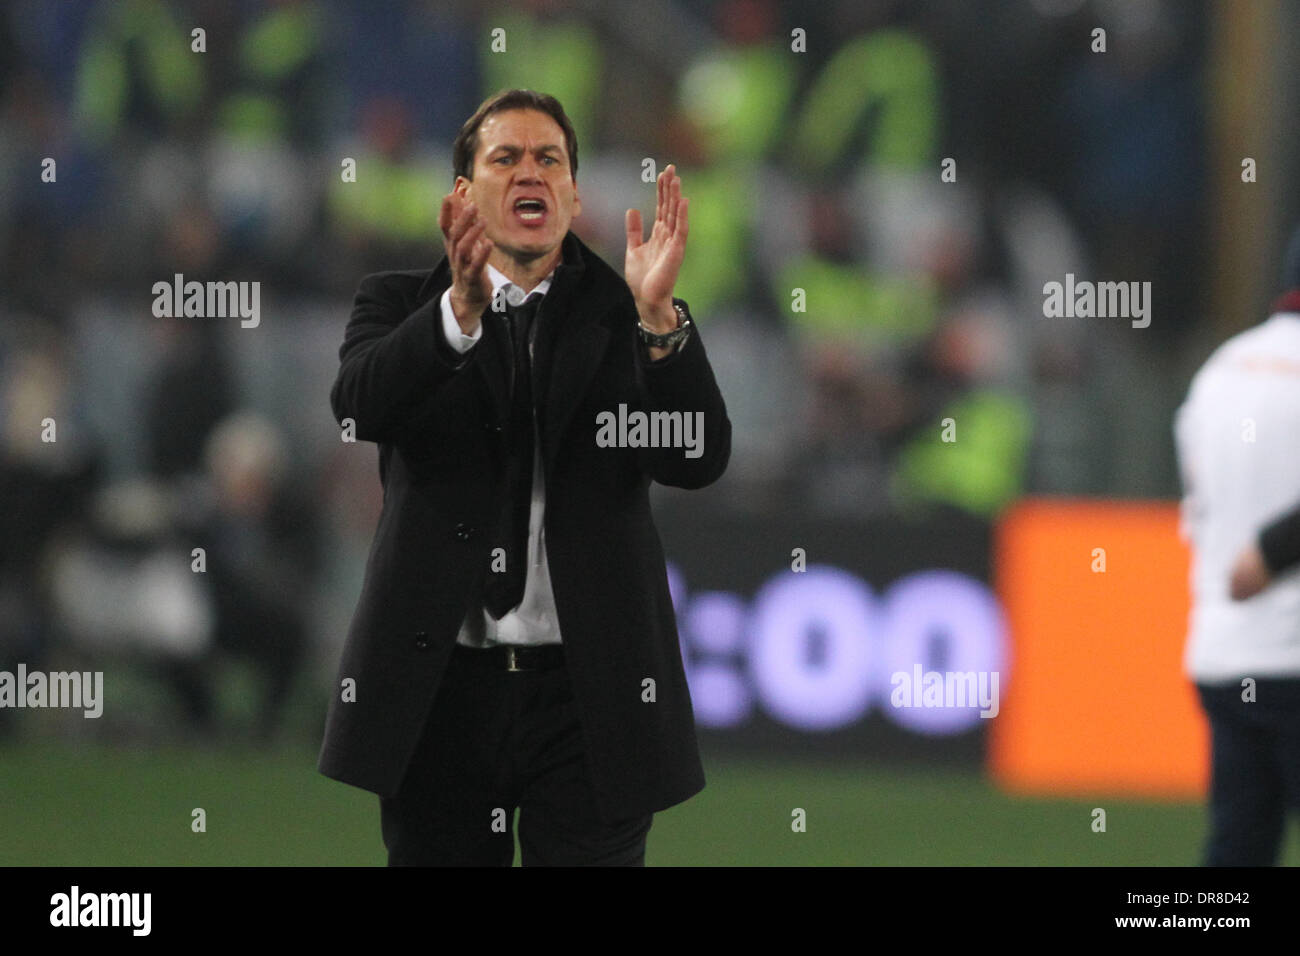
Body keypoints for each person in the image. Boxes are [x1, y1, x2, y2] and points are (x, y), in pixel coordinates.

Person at [318, 89, 731, 866]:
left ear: (574, 193)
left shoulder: (630, 314)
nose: (528, 172)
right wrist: (458, 316)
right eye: (504, 158)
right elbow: (359, 405)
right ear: (463, 193)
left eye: (549, 158)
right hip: (442, 690)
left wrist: (660, 325)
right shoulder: (401, 305)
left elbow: (698, 456)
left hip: (591, 694)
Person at [1174, 232, 1300, 866]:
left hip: (1223, 655)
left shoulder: (1219, 368)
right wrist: (1275, 551)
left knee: (1238, 853)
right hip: (1292, 649)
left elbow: (1199, 503)